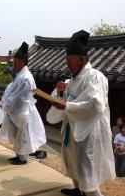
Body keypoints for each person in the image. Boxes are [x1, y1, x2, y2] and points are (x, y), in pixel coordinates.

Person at [50, 30, 115, 196]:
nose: (67, 63)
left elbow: (95, 104)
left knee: (87, 167)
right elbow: (67, 99)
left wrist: (67, 106)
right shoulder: (72, 79)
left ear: (81, 59)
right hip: (72, 127)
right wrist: (59, 93)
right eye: (66, 59)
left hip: (89, 130)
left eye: (70, 59)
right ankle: (78, 190)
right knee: (72, 161)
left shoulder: (96, 77)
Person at [0, 42, 47, 165]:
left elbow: (18, 98)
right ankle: (18, 155)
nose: (13, 64)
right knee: (19, 136)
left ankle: (23, 158)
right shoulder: (21, 75)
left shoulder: (26, 78)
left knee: (24, 136)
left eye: (15, 61)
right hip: (18, 109)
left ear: (21, 61)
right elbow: (11, 91)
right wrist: (6, 103)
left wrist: (6, 105)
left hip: (23, 110)